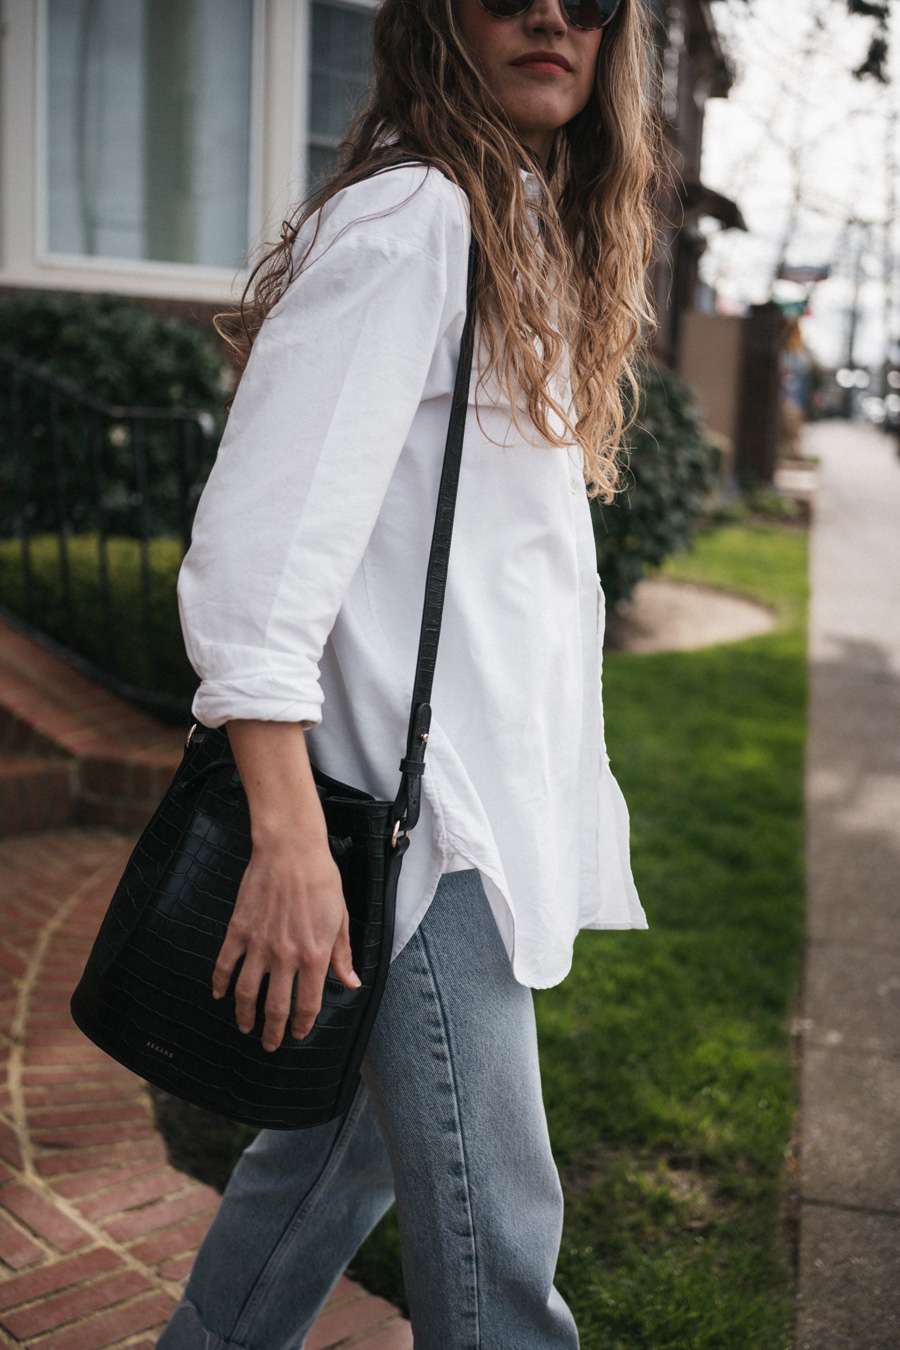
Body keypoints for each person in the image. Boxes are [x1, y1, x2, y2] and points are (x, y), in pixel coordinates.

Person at [159, 0, 655, 1344]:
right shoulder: (419, 219)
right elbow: (258, 556)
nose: (553, 14)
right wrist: (288, 839)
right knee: (499, 1254)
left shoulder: (516, 224)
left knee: (326, 1168)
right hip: (416, 841)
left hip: (461, 820)